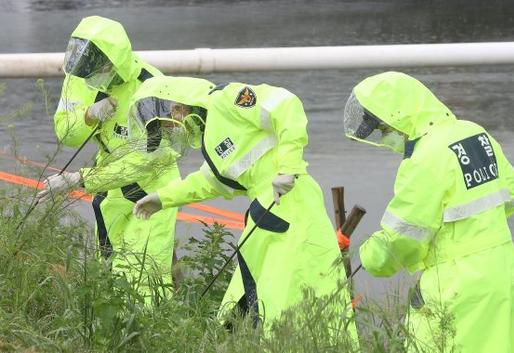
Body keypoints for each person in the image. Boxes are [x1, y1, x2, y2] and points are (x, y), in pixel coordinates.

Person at [130, 76, 359, 340]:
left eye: (168, 125)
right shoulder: (211, 138)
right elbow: (210, 181)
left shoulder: (225, 101)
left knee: (292, 293)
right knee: (245, 305)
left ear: (178, 108)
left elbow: (285, 105)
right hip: (268, 210)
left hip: (291, 202)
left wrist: (288, 167)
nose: (171, 131)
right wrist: (163, 198)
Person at [343, 71, 514, 352]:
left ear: (398, 117)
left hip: (457, 284)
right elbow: (513, 195)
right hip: (503, 269)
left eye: (385, 129)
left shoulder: (424, 158)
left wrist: (368, 256)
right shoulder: (476, 133)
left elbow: (402, 239)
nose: (387, 137)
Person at [37, 16, 181, 303]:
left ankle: (158, 333)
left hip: (153, 190)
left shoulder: (153, 88)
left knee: (147, 273)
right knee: (110, 270)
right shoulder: (79, 74)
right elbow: (66, 133)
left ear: (113, 63)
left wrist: (80, 179)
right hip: (109, 189)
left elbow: (147, 160)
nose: (88, 78)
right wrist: (89, 115)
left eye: (96, 70)